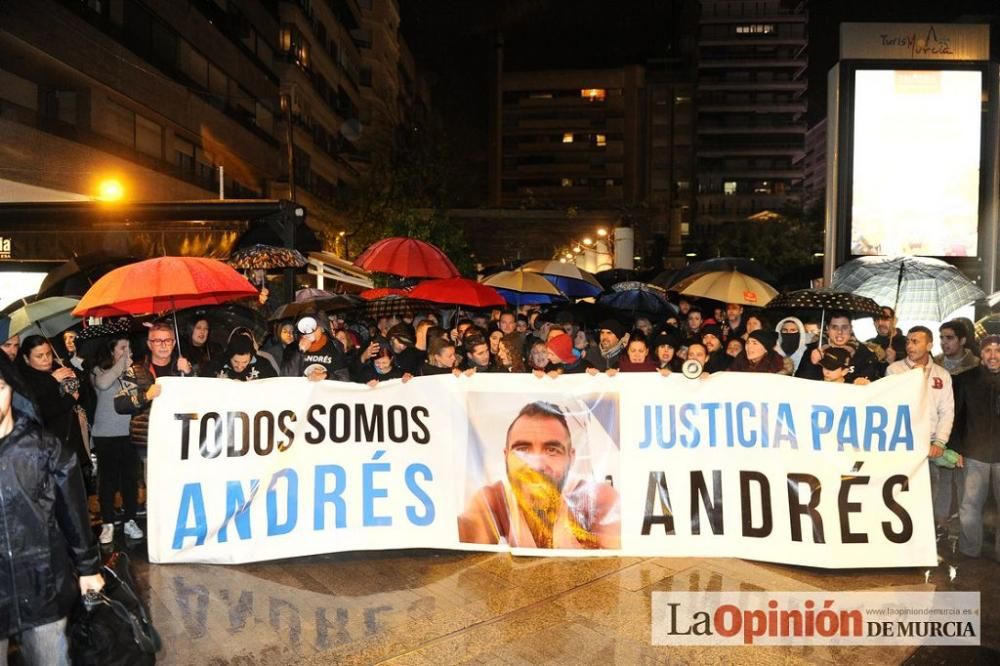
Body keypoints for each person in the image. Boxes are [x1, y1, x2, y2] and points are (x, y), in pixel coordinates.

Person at [0, 360, 104, 664]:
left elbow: (72, 512)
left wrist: (88, 568)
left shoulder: (45, 448)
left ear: (12, 390)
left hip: (43, 586)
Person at [457, 401, 620, 549]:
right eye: (522, 450)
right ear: (506, 456)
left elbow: (616, 564)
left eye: (551, 450)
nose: (536, 465)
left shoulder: (595, 499)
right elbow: (466, 530)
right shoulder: (493, 500)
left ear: (571, 458)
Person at [886, 326, 955, 543]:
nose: (910, 346)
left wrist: (940, 442)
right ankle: (900, 534)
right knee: (901, 490)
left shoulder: (942, 375)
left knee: (929, 491)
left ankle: (925, 538)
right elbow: (889, 406)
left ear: (929, 345)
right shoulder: (895, 370)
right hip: (902, 443)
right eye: (908, 341)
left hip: (929, 444)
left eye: (916, 341)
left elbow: (947, 411)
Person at [16, 335, 93, 484]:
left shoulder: (59, 368)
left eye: (48, 353)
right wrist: (53, 381)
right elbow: (40, 412)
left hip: (72, 441)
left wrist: (76, 378)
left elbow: (83, 396)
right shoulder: (24, 380)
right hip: (50, 447)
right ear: (26, 359)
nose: (46, 359)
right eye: (39, 356)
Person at [90, 333, 143, 544]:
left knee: (130, 479)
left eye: (129, 348)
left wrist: (129, 370)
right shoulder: (99, 370)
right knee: (108, 481)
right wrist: (121, 364)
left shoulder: (133, 370)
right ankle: (108, 523)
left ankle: (129, 519)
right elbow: (103, 385)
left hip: (129, 432)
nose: (126, 352)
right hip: (105, 434)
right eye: (122, 347)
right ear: (112, 350)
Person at [953, 335, 1000, 560]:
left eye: (998, 350)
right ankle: (969, 550)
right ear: (981, 353)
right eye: (988, 350)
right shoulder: (965, 380)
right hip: (974, 453)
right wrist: (957, 449)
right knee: (969, 505)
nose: (993, 355)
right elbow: (956, 418)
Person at [795, 311, 880, 384]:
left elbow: (873, 381)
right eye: (835, 327)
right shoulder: (814, 350)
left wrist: (861, 382)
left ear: (851, 329)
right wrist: (813, 364)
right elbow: (800, 382)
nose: (840, 332)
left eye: (845, 327)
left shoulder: (864, 354)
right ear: (827, 329)